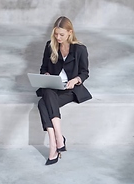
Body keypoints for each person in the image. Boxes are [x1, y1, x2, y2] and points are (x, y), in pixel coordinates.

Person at [36, 16, 92, 165]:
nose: (58, 37)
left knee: (42, 103)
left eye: (61, 34)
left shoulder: (80, 49)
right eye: (56, 34)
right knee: (47, 91)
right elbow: (43, 68)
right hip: (54, 87)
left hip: (70, 89)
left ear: (70, 32)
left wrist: (75, 80)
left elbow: (85, 72)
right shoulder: (50, 46)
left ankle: (55, 143)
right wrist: (46, 75)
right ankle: (57, 140)